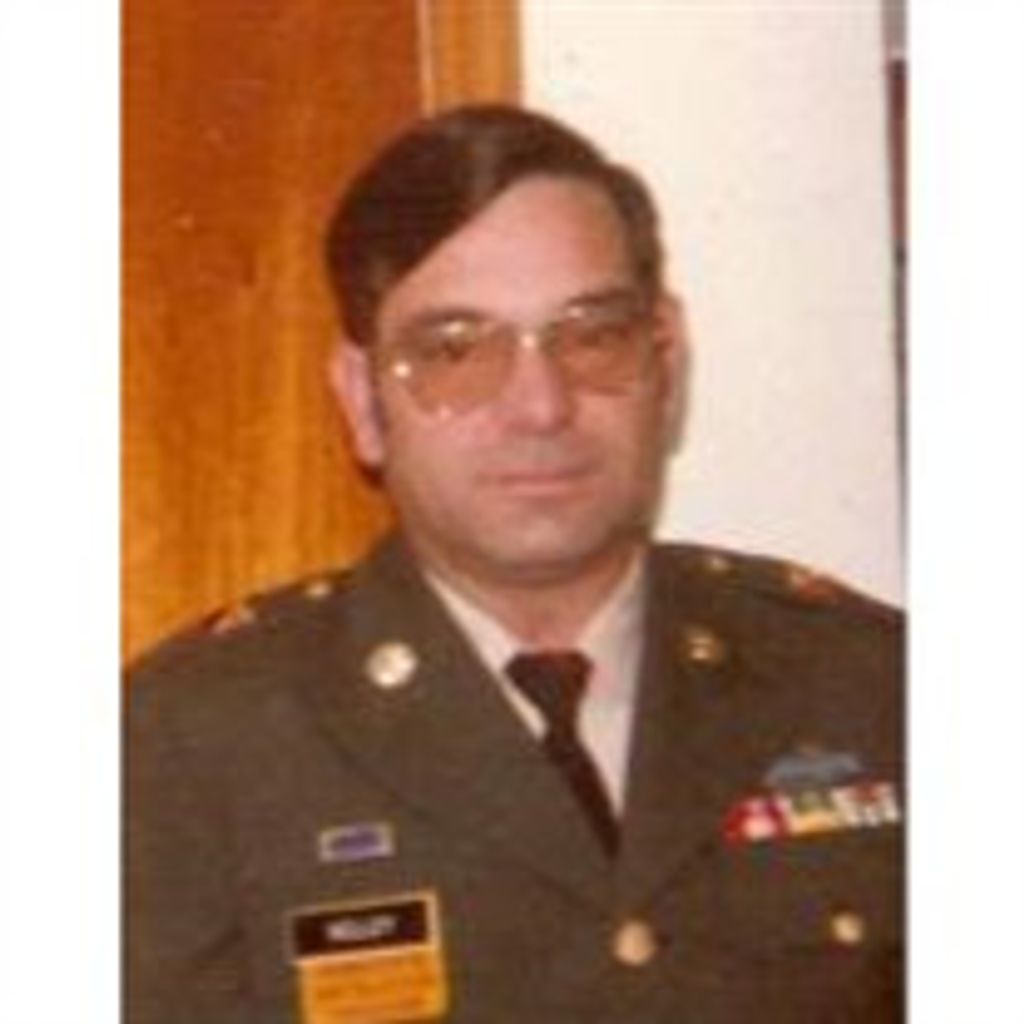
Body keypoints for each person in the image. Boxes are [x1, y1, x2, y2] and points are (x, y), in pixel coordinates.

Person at [126, 104, 904, 1024]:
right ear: (364, 402)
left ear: (666, 364)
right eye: (455, 351)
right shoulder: (184, 746)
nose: (541, 405)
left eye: (592, 336)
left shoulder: (868, 685)